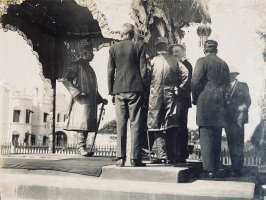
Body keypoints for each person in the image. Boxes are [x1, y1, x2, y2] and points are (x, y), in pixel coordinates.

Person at [108, 23, 147, 167]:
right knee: (136, 123)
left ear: (121, 34)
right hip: (135, 88)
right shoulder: (139, 46)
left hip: (118, 89)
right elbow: (143, 70)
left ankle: (120, 158)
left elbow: (110, 72)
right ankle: (135, 158)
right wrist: (145, 88)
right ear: (133, 34)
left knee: (121, 123)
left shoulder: (113, 48)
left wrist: (111, 90)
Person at [191, 40, 230, 179]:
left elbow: (195, 81)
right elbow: (227, 86)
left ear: (204, 50)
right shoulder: (224, 63)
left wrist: (195, 98)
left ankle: (208, 170)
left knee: (206, 134)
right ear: (216, 50)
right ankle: (216, 167)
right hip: (219, 103)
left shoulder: (202, 61)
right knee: (217, 135)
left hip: (205, 100)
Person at [147, 37, 189, 164]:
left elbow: (146, 76)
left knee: (156, 125)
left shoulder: (152, 60)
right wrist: (180, 88)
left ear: (156, 47)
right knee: (171, 125)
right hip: (171, 95)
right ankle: (172, 155)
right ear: (166, 47)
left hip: (155, 96)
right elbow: (186, 74)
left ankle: (162, 155)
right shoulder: (175, 60)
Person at [62, 43, 108, 157]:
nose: (93, 56)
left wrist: (100, 99)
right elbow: (66, 80)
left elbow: (92, 87)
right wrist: (77, 92)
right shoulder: (76, 65)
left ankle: (83, 148)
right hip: (81, 101)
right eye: (91, 53)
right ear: (85, 53)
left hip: (90, 101)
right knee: (81, 124)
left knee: (86, 124)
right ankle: (80, 147)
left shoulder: (89, 68)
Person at [225, 66, 251, 177]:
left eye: (232, 74)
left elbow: (248, 101)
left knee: (238, 143)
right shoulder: (225, 87)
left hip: (239, 118)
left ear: (236, 75)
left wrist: (242, 108)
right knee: (230, 142)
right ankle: (234, 166)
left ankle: (238, 167)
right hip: (228, 119)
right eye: (229, 74)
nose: (230, 76)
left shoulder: (243, 86)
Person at [169, 44, 193, 163]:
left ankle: (181, 153)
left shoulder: (186, 65)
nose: (175, 54)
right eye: (173, 52)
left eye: (177, 51)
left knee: (181, 127)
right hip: (175, 100)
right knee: (174, 127)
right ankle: (175, 153)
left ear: (183, 52)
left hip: (182, 100)